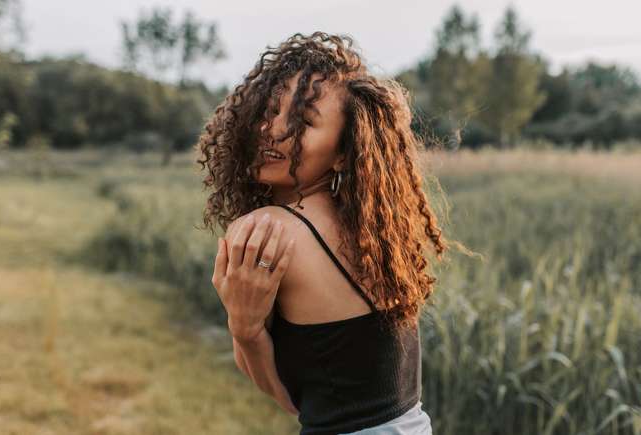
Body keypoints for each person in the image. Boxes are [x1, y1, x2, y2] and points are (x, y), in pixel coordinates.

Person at [197, 31, 468, 434]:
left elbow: (289, 400)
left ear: (343, 152)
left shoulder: (265, 230)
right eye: (271, 111)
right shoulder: (374, 234)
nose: (274, 130)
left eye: (303, 121)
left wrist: (245, 329)